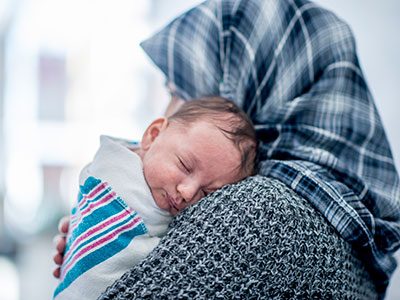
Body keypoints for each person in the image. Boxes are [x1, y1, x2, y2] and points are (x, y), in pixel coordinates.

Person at [54, 0, 400, 299]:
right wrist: (103, 230)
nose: (169, 104)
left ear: (240, 83)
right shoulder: (340, 233)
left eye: (180, 89)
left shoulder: (256, 211)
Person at [53, 96, 257, 299]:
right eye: (184, 165)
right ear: (153, 134)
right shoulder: (112, 166)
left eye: (206, 194)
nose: (187, 192)